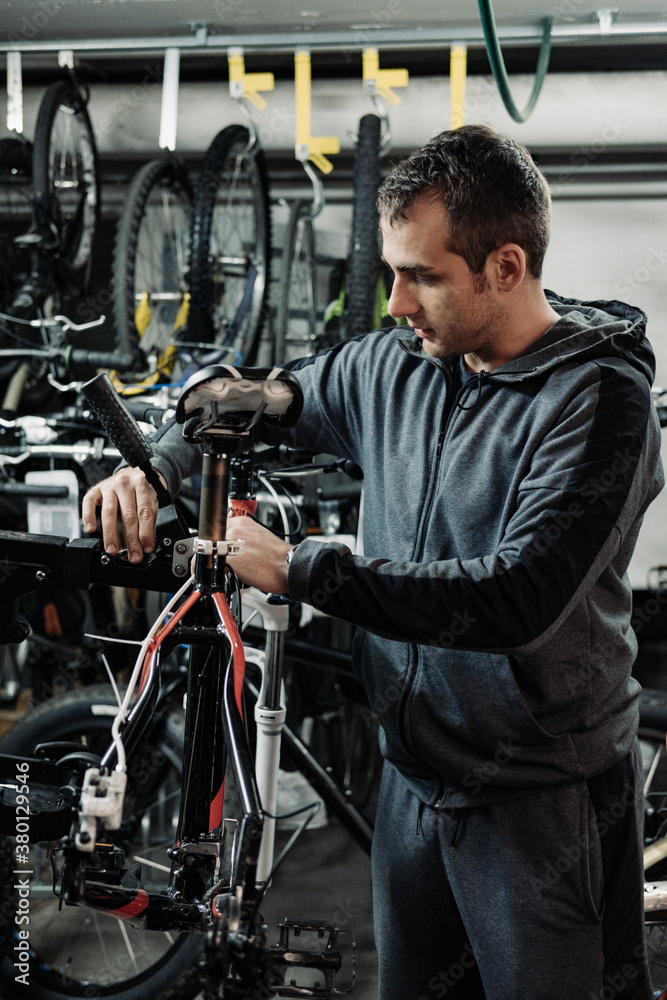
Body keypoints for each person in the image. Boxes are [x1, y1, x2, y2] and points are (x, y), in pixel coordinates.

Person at [83, 124, 664, 1000]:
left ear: (504, 268)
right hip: (411, 782)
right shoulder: (395, 365)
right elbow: (250, 398)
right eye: (393, 270)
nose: (394, 304)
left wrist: (304, 570)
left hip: (543, 800)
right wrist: (152, 463)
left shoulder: (599, 403)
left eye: (421, 276)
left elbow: (518, 595)